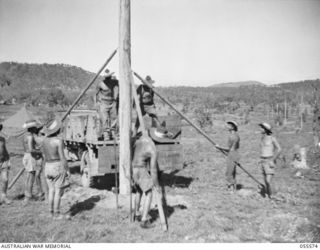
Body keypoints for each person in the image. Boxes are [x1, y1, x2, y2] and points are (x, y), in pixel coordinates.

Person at [132, 133, 161, 229]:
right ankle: (144, 220)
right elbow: (153, 170)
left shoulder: (139, 141)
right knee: (149, 193)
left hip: (133, 169)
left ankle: (136, 214)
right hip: (141, 169)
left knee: (139, 191)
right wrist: (157, 185)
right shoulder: (152, 148)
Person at [42, 119, 70, 219]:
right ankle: (57, 213)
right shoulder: (58, 141)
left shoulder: (44, 140)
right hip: (57, 165)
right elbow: (62, 157)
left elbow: (44, 155)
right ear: (57, 130)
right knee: (58, 191)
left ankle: (50, 212)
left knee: (51, 190)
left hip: (47, 166)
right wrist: (67, 169)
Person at [22, 119, 45, 203]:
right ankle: (27, 197)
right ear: (32, 128)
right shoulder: (30, 136)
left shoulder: (25, 135)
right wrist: (40, 152)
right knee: (31, 177)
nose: (36, 128)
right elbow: (31, 150)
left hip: (27, 156)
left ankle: (29, 195)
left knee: (30, 177)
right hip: (31, 157)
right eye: (35, 127)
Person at [258, 122, 282, 199]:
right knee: (265, 180)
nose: (260, 129)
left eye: (262, 128)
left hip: (269, 161)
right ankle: (269, 196)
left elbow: (279, 149)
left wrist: (273, 160)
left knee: (268, 180)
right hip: (263, 161)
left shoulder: (272, 138)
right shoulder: (262, 138)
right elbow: (263, 150)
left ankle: (273, 196)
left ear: (266, 129)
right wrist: (260, 159)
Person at [215, 121, 240, 192]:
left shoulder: (232, 136)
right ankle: (233, 188)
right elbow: (236, 147)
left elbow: (229, 149)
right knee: (232, 172)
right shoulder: (236, 135)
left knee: (229, 173)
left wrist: (219, 147)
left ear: (232, 127)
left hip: (232, 155)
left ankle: (231, 189)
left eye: (229, 125)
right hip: (234, 154)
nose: (227, 126)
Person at [95, 69, 119, 140]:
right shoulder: (100, 84)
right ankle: (106, 135)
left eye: (110, 77)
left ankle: (113, 133)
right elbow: (95, 94)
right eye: (107, 77)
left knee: (114, 118)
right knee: (105, 119)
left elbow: (120, 83)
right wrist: (96, 103)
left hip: (112, 102)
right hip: (103, 103)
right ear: (105, 77)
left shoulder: (114, 82)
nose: (109, 78)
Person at [0, 124, 11, 205]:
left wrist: (8, 160)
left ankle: (4, 197)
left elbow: (5, 150)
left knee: (5, 179)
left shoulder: (2, 139)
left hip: (4, 161)